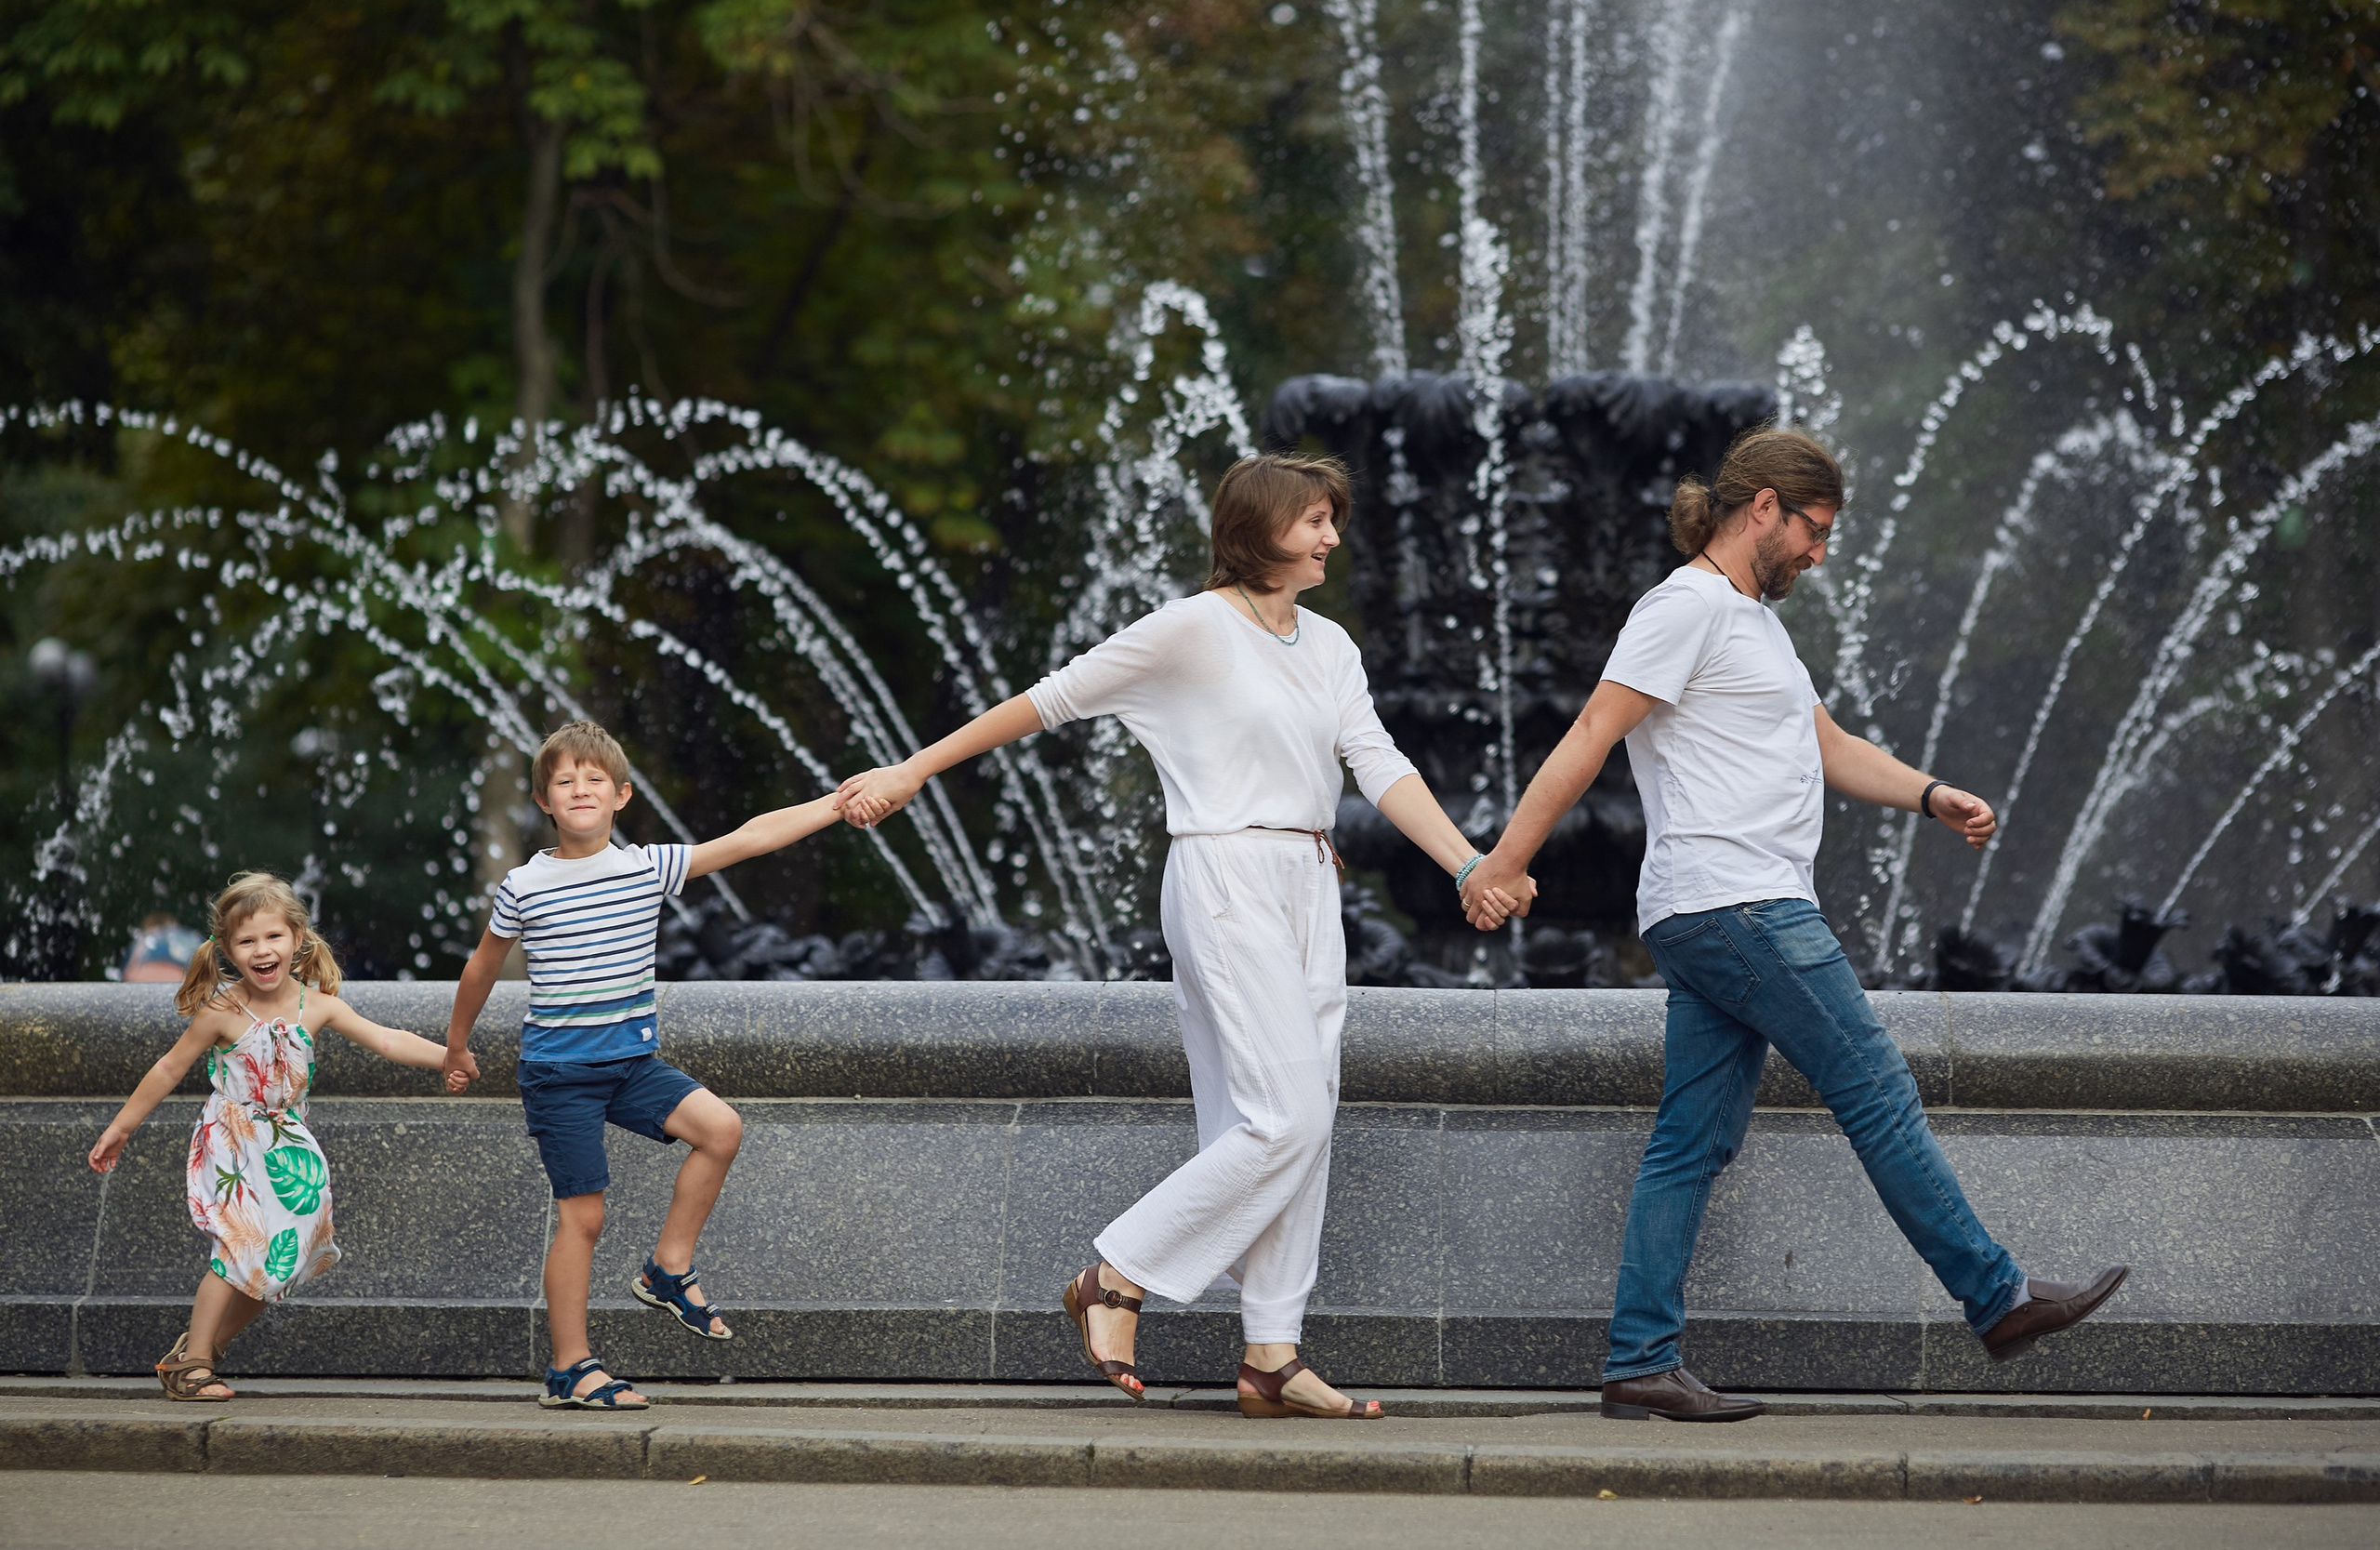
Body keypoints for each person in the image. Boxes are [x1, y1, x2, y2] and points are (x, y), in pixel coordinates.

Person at [839, 453, 1525, 1420]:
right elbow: (1049, 698)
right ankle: (1116, 1274)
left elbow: (1378, 762)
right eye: (1313, 520)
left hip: (1308, 878)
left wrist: (1467, 865)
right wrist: (912, 770)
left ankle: (1271, 1355)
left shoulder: (1330, 644)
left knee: (1306, 1115)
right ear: (1258, 528)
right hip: (1224, 871)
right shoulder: (1191, 628)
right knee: (1285, 1116)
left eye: (1332, 519)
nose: (1331, 536)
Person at [1462, 427, 2126, 1423]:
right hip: (1738, 901)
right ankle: (1997, 1298)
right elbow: (1592, 730)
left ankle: (1640, 1361)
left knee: (1691, 1141)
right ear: (1763, 506)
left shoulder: (1753, 622)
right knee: (1876, 1087)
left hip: (1715, 906)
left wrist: (1930, 794)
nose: (1820, 552)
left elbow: (1830, 745)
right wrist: (1504, 861)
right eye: (1814, 529)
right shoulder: (1684, 606)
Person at [442, 720, 846, 1411]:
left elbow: (749, 838)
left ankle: (667, 1267)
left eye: (594, 778)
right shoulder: (524, 884)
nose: (580, 789)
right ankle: (571, 1369)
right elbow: (482, 966)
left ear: (621, 795)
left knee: (720, 1129)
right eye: (564, 781)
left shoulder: (646, 867)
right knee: (584, 1217)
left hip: (631, 1064)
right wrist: (457, 1044)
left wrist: (836, 803)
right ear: (543, 800)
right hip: (559, 1075)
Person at [86, 871, 458, 1401]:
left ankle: (200, 1349)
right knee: (239, 1245)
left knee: (288, 1255)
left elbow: (387, 1039)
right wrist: (121, 1128)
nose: (262, 950)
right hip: (230, 1138)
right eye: (247, 941)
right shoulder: (222, 1010)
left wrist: (450, 1057)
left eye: (273, 936)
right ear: (227, 950)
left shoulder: (318, 1004)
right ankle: (195, 1366)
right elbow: (168, 1068)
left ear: (297, 938)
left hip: (286, 1142)